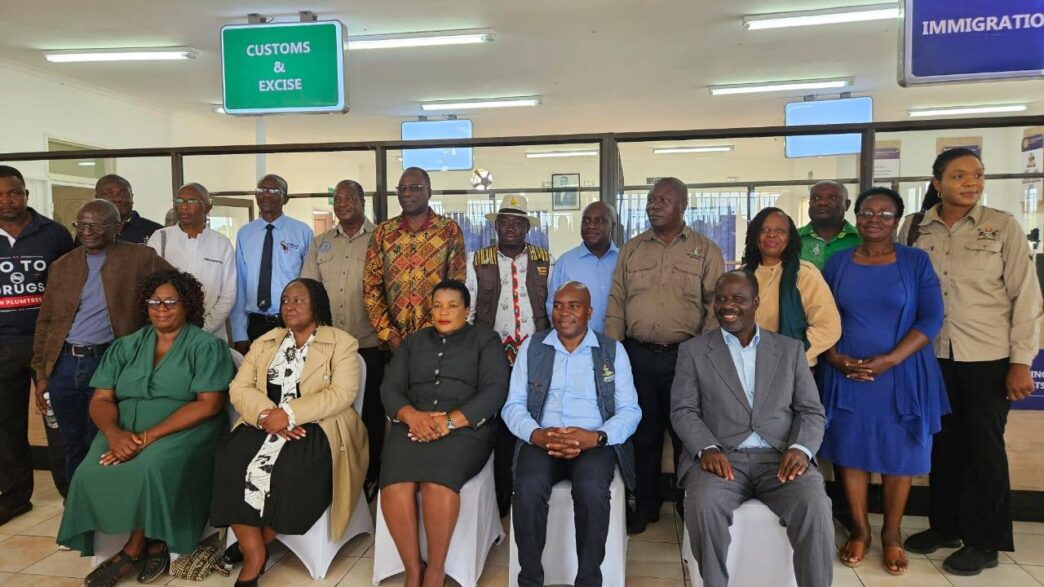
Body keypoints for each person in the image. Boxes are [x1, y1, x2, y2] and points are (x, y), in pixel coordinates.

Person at [900, 148, 1043, 576]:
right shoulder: (914, 228)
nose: (971, 183)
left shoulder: (1002, 226)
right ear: (937, 183)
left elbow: (1026, 297)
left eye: (977, 175)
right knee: (943, 446)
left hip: (987, 357)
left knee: (984, 448)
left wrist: (1021, 361)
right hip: (932, 357)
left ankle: (985, 541)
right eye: (959, 175)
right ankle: (945, 527)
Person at [57, 270, 234, 586]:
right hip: (123, 428)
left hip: (187, 429)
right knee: (87, 472)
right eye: (154, 302)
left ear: (187, 305)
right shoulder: (126, 346)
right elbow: (101, 399)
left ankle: (135, 547)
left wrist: (146, 438)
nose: (161, 308)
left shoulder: (206, 347)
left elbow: (209, 405)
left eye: (170, 302)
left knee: (151, 465)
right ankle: (146, 541)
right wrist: (115, 434)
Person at [672, 270, 833, 587]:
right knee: (703, 504)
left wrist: (801, 449)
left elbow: (811, 411)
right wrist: (707, 448)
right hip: (721, 459)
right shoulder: (693, 351)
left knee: (815, 503)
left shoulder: (789, 350)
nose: (727, 306)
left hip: (780, 459)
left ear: (756, 303)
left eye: (738, 299)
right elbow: (683, 409)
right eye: (721, 299)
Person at [818, 188, 949, 575]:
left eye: (884, 213)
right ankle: (860, 532)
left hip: (903, 374)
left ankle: (891, 534)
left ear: (897, 220)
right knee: (850, 452)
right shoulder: (838, 263)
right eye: (866, 212)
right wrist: (834, 357)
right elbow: (822, 315)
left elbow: (931, 317)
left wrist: (890, 360)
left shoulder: (915, 261)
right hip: (848, 374)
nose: (874, 219)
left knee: (900, 455)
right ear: (855, 216)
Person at [212, 278, 368, 586]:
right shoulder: (266, 342)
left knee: (292, 470)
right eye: (285, 301)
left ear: (316, 305)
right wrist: (267, 415)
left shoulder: (342, 342)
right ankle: (255, 552)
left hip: (318, 425)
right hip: (265, 421)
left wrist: (290, 414)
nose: (290, 306)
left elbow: (342, 393)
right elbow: (239, 388)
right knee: (229, 460)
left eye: (298, 300)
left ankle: (258, 543)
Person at [604, 176, 725, 534]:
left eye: (663, 200)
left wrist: (700, 356)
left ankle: (690, 503)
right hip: (637, 355)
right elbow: (616, 301)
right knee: (644, 433)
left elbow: (715, 307)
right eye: (650, 199)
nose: (653, 206)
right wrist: (613, 354)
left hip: (685, 357)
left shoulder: (706, 250)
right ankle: (646, 505)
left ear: (682, 206)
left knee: (687, 433)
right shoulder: (632, 249)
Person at [503, 281, 641, 587]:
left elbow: (630, 411)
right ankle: (529, 580)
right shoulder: (533, 347)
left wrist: (598, 437)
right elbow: (513, 405)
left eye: (573, 306)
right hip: (542, 439)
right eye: (558, 305)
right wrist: (537, 435)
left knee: (592, 489)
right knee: (527, 487)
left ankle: (589, 580)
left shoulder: (611, 351)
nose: (563, 313)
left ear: (589, 312)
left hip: (592, 442)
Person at [379, 279, 509, 587]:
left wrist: (449, 422)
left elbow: (495, 390)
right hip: (413, 425)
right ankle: (413, 569)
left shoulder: (485, 341)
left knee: (437, 485)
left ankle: (435, 571)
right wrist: (412, 416)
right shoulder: (413, 342)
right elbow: (390, 388)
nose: (444, 312)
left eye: (452, 306)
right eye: (437, 306)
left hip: (465, 430)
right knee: (395, 486)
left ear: (467, 309)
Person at [32, 200, 172, 480]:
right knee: (71, 442)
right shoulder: (63, 265)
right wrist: (41, 373)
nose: (87, 231)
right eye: (81, 225)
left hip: (112, 362)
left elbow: (177, 292)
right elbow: (46, 321)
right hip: (64, 365)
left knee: (106, 440)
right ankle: (75, 501)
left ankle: (107, 501)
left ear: (117, 227)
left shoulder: (142, 258)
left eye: (96, 226)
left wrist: (157, 342)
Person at [465, 194, 552, 515]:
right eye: (505, 222)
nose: (511, 227)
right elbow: (469, 310)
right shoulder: (478, 260)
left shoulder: (545, 260)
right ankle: (502, 494)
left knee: (533, 419)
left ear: (528, 228)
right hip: (493, 355)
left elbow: (552, 308)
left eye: (518, 222)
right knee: (498, 425)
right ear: (497, 226)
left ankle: (528, 488)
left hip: (535, 354)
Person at [301, 179, 386, 494]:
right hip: (328, 345)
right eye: (337, 199)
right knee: (329, 410)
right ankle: (334, 472)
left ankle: (369, 473)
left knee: (370, 413)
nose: (342, 203)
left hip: (369, 343)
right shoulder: (320, 243)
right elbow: (309, 289)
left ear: (363, 201)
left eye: (349, 198)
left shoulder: (381, 239)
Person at [0, 165, 74, 526]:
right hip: (3, 346)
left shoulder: (54, 234)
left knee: (59, 422)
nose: (6, 200)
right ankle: (15, 497)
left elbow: (73, 286)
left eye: (13, 192)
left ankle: (73, 496)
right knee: (6, 424)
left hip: (49, 344)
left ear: (26, 195)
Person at [364, 167, 466, 352]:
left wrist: (433, 332)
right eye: (402, 188)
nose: (407, 193)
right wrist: (388, 333)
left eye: (415, 187)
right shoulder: (384, 233)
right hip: (393, 344)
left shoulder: (448, 230)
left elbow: (456, 286)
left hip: (437, 339)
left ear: (429, 192)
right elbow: (371, 286)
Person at [741, 207, 840, 365]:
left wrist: (786, 354)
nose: (771, 235)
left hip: (790, 366)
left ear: (790, 237)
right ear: (754, 235)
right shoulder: (741, 276)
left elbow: (829, 328)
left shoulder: (804, 274)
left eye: (780, 230)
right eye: (764, 230)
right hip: (745, 364)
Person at [230, 174, 313, 353]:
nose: (266, 194)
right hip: (255, 323)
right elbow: (240, 285)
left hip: (290, 321)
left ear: (286, 198)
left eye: (274, 190)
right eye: (261, 190)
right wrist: (239, 333)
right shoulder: (245, 233)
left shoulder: (302, 232)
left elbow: (309, 283)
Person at [147, 183, 236, 341]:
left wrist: (204, 328)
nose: (184, 206)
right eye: (179, 201)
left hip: (210, 334)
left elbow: (228, 295)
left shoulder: (221, 244)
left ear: (207, 207)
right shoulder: (160, 238)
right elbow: (150, 286)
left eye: (192, 201)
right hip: (167, 332)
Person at [546, 202, 619, 333]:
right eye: (586, 220)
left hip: (619, 340)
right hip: (577, 342)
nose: (591, 226)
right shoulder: (565, 262)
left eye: (599, 220)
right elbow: (552, 306)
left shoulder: (624, 260)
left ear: (612, 225)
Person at [798, 180, 862, 270]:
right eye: (816, 198)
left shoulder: (863, 240)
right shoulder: (791, 239)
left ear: (847, 204)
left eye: (833, 197)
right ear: (809, 204)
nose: (822, 202)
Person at [93, 174, 163, 245]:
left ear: (132, 197)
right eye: (109, 194)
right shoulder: (88, 230)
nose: (118, 199)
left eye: (123, 194)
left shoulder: (157, 231)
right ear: (97, 198)